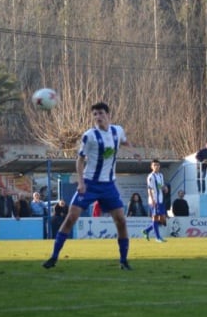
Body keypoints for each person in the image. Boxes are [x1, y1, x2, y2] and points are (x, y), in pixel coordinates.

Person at [43, 102, 140, 270]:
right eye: (94, 114)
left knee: (121, 221)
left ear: (108, 115)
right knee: (71, 218)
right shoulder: (89, 136)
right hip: (89, 184)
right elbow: (80, 159)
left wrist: (133, 150)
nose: (97, 117)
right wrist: (81, 182)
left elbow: (124, 141)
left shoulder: (118, 130)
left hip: (109, 185)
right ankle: (53, 257)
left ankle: (123, 261)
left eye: (100, 113)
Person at [142, 159, 167, 243]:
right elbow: (149, 189)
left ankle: (147, 230)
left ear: (159, 166)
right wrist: (152, 199)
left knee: (162, 219)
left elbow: (161, 186)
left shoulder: (161, 175)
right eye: (154, 165)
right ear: (151, 166)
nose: (156, 166)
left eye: (158, 165)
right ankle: (157, 237)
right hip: (154, 200)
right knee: (155, 218)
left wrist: (164, 188)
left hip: (160, 199)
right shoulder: (150, 176)